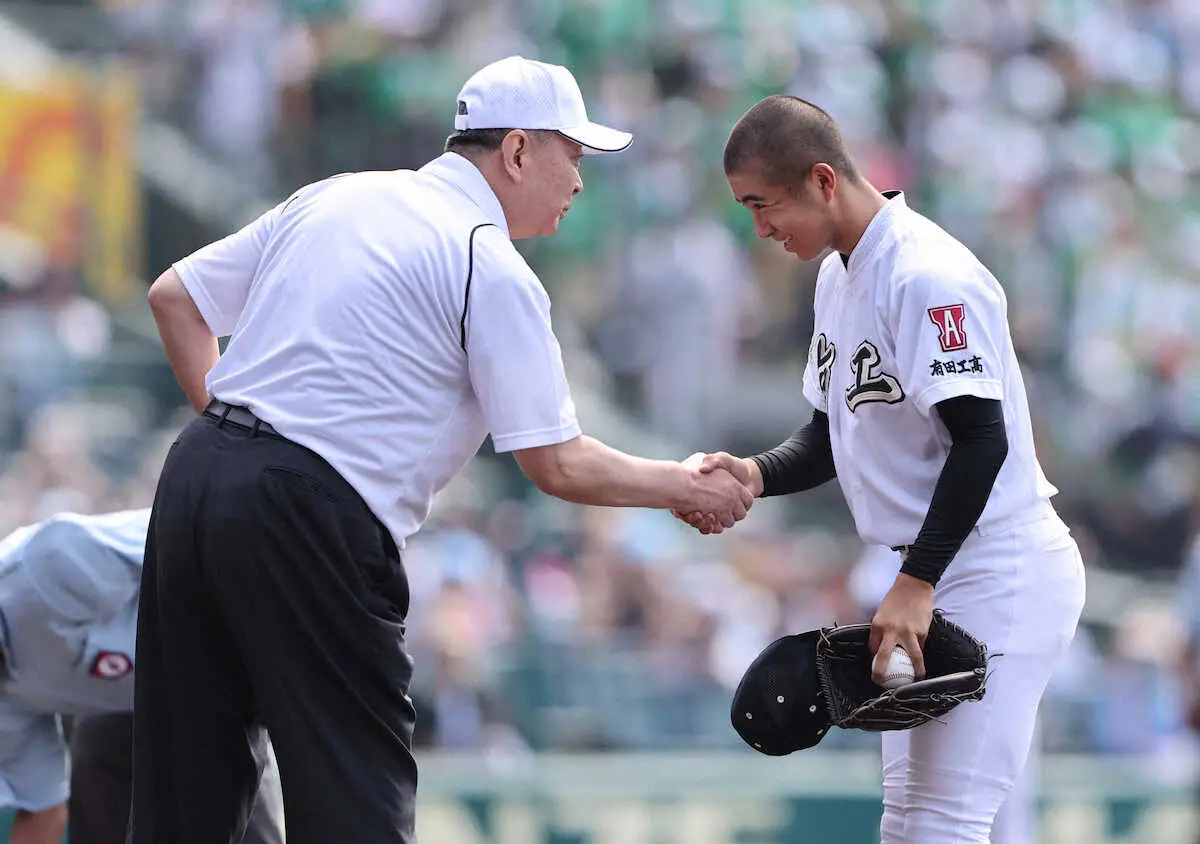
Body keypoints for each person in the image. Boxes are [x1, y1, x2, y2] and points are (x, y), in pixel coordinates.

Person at [136, 55, 753, 844]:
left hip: (197, 474)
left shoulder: (337, 194)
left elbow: (175, 297)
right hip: (311, 506)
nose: (581, 181)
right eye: (573, 154)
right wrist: (684, 484)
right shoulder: (484, 260)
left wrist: (237, 441)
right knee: (355, 804)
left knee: (184, 802)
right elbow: (553, 463)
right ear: (520, 151)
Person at [678, 95, 1086, 843]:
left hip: (999, 565)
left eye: (765, 205)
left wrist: (915, 584)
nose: (760, 227)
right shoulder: (839, 275)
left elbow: (981, 442)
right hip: (945, 565)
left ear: (824, 181)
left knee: (940, 825)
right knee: (914, 824)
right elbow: (834, 435)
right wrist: (755, 475)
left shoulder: (925, 274)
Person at [0, 509, 283, 844]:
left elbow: (194, 547)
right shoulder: (6, 708)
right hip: (133, 707)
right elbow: (43, 812)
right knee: (97, 750)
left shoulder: (45, 568)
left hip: (234, 646)